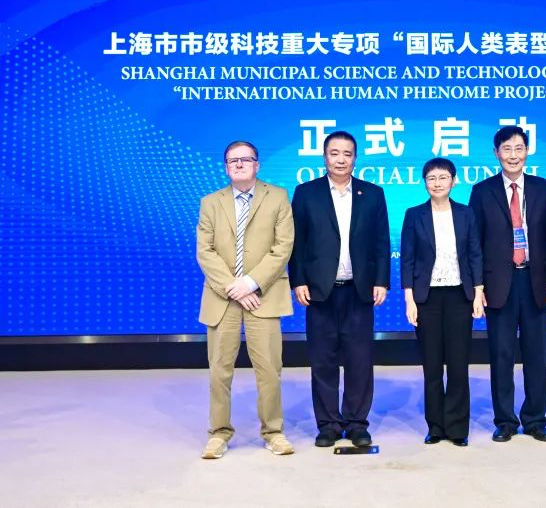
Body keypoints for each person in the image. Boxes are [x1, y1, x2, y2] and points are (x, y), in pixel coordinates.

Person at [289, 131, 391, 448]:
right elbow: (297, 242)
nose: (341, 159)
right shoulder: (306, 193)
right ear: (324, 157)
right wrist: (298, 280)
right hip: (320, 290)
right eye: (334, 153)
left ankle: (357, 423)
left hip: (359, 290)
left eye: (347, 154)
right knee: (323, 360)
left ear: (355, 158)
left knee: (360, 360)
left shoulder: (372, 193)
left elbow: (381, 242)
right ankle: (329, 424)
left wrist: (381, 280)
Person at [195, 140, 295, 459]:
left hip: (263, 295)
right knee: (219, 370)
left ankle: (273, 431)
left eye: (245, 159)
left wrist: (251, 283)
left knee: (269, 370)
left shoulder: (278, 197)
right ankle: (218, 433)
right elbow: (205, 251)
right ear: (226, 167)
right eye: (232, 160)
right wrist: (233, 286)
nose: (239, 164)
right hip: (222, 298)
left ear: (257, 165)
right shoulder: (211, 202)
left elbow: (283, 247)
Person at [468, 126, 546, 443]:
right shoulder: (482, 192)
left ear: (527, 152)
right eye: (506, 149)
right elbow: (475, 244)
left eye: (519, 148)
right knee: (502, 355)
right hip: (499, 284)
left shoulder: (544, 188)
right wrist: (478, 286)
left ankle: (535, 419)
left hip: (536, 280)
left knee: (537, 355)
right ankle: (505, 420)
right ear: (496, 153)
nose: (513, 155)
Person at [401, 158, 485, 447]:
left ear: (454, 181)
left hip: (460, 296)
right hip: (427, 298)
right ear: (424, 182)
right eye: (431, 178)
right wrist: (410, 300)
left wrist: (478, 294)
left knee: (459, 365)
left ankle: (458, 427)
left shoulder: (466, 213)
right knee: (432, 365)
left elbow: (475, 254)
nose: (437, 183)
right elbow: (408, 260)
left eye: (443, 177)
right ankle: (436, 426)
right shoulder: (414, 215)